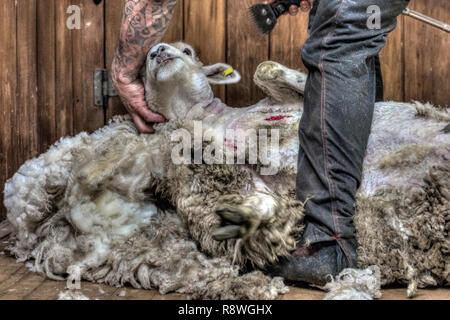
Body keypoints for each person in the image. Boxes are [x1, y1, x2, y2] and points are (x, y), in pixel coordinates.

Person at [111, 0, 410, 286]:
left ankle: (327, 242)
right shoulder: (184, 161)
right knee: (340, 21)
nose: (161, 53)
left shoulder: (252, 114)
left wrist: (124, 73)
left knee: (341, 29)